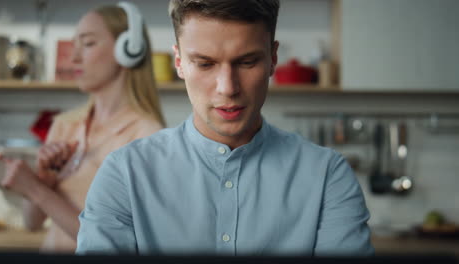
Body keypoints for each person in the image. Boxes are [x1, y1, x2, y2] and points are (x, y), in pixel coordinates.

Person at [76, 0, 374, 256]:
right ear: (179, 62)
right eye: (205, 64)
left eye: (246, 62)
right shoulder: (124, 173)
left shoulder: (327, 177)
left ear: (272, 59)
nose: (227, 88)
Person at [0, 2, 165, 253]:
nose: (73, 57)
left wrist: (34, 189)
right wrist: (45, 180)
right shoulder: (65, 125)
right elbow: (32, 223)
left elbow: (121, 244)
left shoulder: (147, 136)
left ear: (128, 50)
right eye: (74, 45)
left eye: (87, 44)